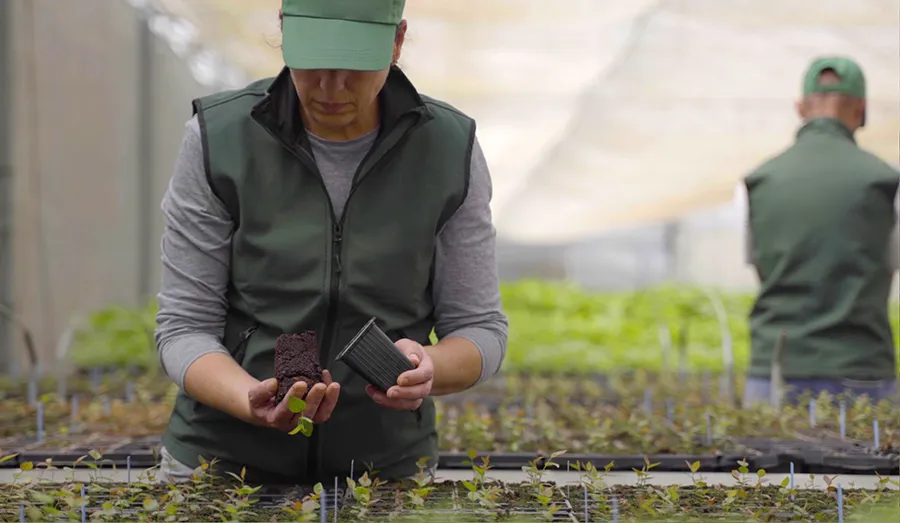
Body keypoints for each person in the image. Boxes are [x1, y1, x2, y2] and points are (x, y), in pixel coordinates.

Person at [153, 0, 508, 484]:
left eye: (354, 66)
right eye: (314, 63)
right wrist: (248, 399)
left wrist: (430, 368)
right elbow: (184, 326)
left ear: (397, 42)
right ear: (284, 32)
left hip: (383, 472)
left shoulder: (448, 149)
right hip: (222, 465)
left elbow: (480, 328)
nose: (331, 87)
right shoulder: (220, 139)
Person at [737, 56, 899, 407]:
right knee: (865, 446)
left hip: (775, 367)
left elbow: (757, 263)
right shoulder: (883, 181)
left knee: (766, 445)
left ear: (800, 108)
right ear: (861, 109)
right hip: (859, 366)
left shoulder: (761, 180)